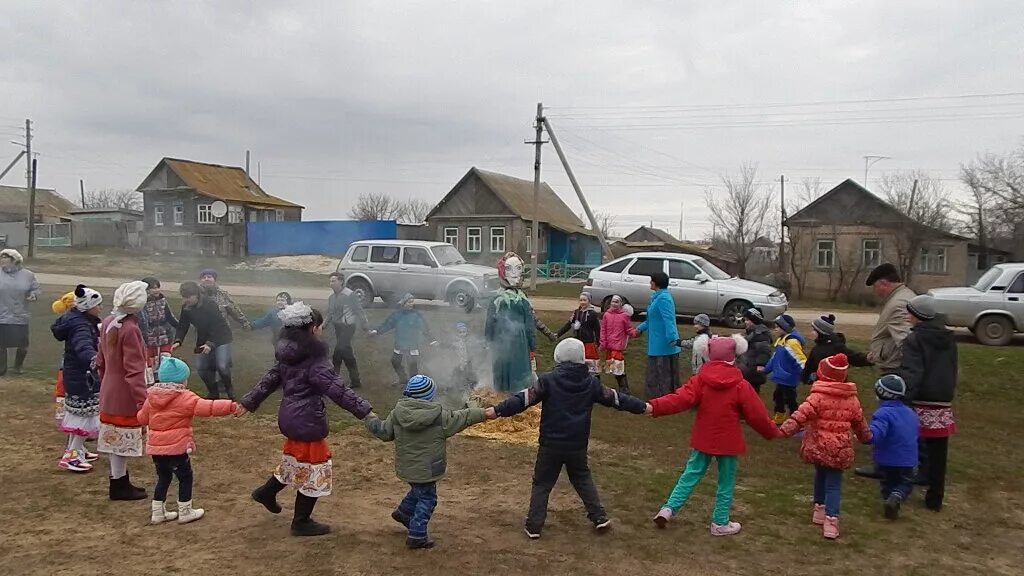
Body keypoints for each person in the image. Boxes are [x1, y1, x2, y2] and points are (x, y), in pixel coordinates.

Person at [490, 338, 648, 539]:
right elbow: (617, 399)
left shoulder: (548, 381)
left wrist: (498, 410)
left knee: (542, 483)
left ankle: (534, 526)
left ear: (558, 357)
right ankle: (599, 517)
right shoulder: (591, 383)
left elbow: (524, 399)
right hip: (577, 444)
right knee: (582, 478)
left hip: (551, 444)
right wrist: (642, 407)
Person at [242, 302, 373, 537]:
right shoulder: (314, 360)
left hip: (290, 418)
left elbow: (269, 379)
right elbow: (337, 389)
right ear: (313, 329)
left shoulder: (287, 354)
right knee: (313, 469)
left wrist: (249, 401)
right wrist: (364, 411)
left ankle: (266, 492)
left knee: (294, 462)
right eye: (320, 326)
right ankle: (301, 521)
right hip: (307, 421)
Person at [648, 335, 781, 535]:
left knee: (690, 474)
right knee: (725, 481)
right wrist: (772, 431)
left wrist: (655, 406)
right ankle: (720, 522)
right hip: (728, 440)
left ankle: (668, 509)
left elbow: (680, 399)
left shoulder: (700, 380)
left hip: (704, 437)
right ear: (734, 357)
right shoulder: (740, 385)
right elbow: (757, 414)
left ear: (708, 354)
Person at [365, 375, 487, 549]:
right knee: (428, 498)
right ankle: (417, 534)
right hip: (428, 469)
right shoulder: (439, 417)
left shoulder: (397, 413)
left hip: (407, 467)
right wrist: (478, 410)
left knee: (418, 490)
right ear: (429, 396)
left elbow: (384, 432)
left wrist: (371, 420)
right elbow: (462, 418)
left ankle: (404, 513)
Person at [779, 354, 872, 540]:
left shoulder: (817, 397)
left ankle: (819, 510)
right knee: (833, 483)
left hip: (819, 445)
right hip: (839, 449)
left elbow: (800, 415)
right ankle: (831, 520)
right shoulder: (852, 400)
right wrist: (866, 437)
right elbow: (860, 422)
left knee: (820, 476)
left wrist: (785, 430)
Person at [137, 356, 238, 525]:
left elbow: (142, 419)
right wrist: (231, 406)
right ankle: (185, 510)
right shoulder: (185, 397)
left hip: (156, 449)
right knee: (185, 477)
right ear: (182, 379)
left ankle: (157, 512)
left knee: (163, 477)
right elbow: (208, 407)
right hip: (176, 448)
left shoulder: (151, 398)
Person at [857, 263, 916, 479]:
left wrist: (903, 368)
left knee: (889, 418)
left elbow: (908, 342)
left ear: (884, 283)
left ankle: (885, 465)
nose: (875, 292)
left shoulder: (899, 303)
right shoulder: (903, 297)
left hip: (896, 370)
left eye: (876, 287)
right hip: (894, 366)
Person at [900, 294, 958, 512]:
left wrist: (903, 398)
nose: (907, 317)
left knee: (910, 442)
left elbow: (913, 372)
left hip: (921, 397)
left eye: (909, 313)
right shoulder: (948, 338)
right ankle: (935, 496)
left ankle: (900, 486)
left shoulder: (914, 340)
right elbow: (953, 367)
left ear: (918, 316)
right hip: (942, 398)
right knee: (939, 449)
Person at [97, 280, 151, 501]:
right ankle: (119, 485)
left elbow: (100, 360)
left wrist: (104, 383)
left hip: (109, 388)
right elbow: (134, 370)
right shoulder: (130, 329)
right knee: (121, 439)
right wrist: (142, 400)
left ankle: (119, 480)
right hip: (124, 393)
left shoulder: (108, 322)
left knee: (114, 438)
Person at [52, 285, 103, 473]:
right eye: (97, 305)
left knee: (79, 414)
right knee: (84, 415)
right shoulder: (81, 325)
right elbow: (83, 346)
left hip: (76, 375)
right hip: (83, 377)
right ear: (87, 306)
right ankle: (72, 456)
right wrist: (93, 361)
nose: (100, 308)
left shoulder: (76, 319)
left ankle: (77, 449)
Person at [867, 374, 919, 520]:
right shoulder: (911, 413)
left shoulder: (882, 413)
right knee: (905, 483)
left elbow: (877, 433)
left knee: (887, 483)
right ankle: (896, 497)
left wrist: (866, 437)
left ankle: (888, 499)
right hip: (908, 460)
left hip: (885, 459)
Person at [484, 252, 537, 394]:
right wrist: (532, 346)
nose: (514, 274)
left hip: (500, 338)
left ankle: (502, 395)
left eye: (518, 268)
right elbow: (529, 326)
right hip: (519, 340)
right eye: (509, 269)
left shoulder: (496, 298)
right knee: (517, 368)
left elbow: (489, 324)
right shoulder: (522, 300)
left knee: (502, 366)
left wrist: (489, 342)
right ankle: (518, 397)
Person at [173, 281, 235, 400]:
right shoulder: (186, 307)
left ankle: (230, 391)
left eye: (188, 297)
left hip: (221, 337)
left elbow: (217, 325)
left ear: (196, 295)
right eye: (183, 297)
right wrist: (178, 340)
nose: (185, 300)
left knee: (222, 366)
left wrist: (210, 344)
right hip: (203, 338)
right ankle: (213, 392)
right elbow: (182, 325)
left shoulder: (209, 304)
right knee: (202, 368)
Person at [630, 272, 681, 400]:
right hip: (656, 342)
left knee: (662, 371)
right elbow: (651, 319)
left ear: (656, 283)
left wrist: (672, 338)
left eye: (651, 281)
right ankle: (656, 396)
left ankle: (664, 397)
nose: (649, 283)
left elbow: (668, 319)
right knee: (655, 371)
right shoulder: (656, 297)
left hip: (663, 343)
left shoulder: (664, 298)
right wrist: (639, 329)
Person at [370, 293, 437, 385]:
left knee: (412, 366)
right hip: (400, 344)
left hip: (412, 344)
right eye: (409, 302)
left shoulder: (416, 315)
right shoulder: (397, 315)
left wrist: (432, 340)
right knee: (395, 362)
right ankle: (403, 379)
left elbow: (425, 328)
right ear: (403, 303)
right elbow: (387, 324)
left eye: (412, 302)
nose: (411, 304)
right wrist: (376, 331)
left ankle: (414, 384)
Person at [760, 314, 807, 424]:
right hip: (781, 378)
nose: (775, 329)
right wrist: (766, 369)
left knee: (790, 400)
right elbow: (774, 359)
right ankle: (779, 419)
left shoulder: (791, 343)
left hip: (789, 378)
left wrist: (807, 375)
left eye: (777, 327)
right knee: (778, 397)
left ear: (784, 328)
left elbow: (800, 360)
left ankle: (797, 422)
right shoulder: (781, 342)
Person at [0, 248, 40, 375]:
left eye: (5, 258)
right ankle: (2, 368)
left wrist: (33, 294)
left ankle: (18, 366)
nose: (2, 260)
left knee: (23, 344)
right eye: (1, 258)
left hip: (20, 314)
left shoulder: (28, 275)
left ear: (15, 260)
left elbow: (35, 288)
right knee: (1, 344)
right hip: (2, 313)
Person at [801, 315, 871, 385]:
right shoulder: (817, 348)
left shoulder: (836, 347)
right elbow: (809, 366)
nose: (812, 332)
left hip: (836, 384)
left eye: (814, 330)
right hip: (822, 385)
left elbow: (854, 357)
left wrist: (869, 358)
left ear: (820, 332)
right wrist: (805, 378)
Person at [325, 273, 367, 388]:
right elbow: (330, 313)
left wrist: (365, 325)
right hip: (338, 327)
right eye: (330, 281)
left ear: (341, 282)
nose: (331, 284)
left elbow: (359, 310)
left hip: (348, 327)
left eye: (333, 281)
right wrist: (323, 325)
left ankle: (334, 380)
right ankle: (355, 380)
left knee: (338, 352)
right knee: (346, 353)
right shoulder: (332, 297)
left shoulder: (349, 295)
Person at [138, 277, 178, 380]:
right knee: (150, 364)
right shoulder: (141, 304)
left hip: (165, 337)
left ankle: (165, 380)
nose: (156, 290)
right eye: (153, 288)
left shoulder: (163, 300)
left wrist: (180, 327)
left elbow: (169, 316)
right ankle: (151, 384)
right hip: (149, 339)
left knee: (166, 361)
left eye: (158, 287)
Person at [555, 293, 602, 380]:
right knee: (578, 362)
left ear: (589, 301)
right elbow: (568, 324)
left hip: (589, 343)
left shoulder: (593, 314)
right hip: (577, 343)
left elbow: (597, 329)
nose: (582, 302)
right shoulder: (576, 313)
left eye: (585, 300)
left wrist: (599, 342)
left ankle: (596, 381)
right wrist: (558, 334)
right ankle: (579, 379)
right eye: (581, 300)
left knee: (591, 364)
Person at [598, 295, 633, 394]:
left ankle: (624, 388)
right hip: (609, 346)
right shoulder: (606, 315)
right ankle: (621, 387)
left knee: (618, 366)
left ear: (621, 304)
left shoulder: (624, 316)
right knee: (612, 367)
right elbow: (603, 329)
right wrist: (603, 343)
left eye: (617, 302)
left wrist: (635, 332)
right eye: (613, 302)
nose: (614, 304)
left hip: (618, 346)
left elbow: (629, 328)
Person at [737, 308, 772, 394]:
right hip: (748, 366)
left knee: (752, 392)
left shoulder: (760, 335)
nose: (745, 322)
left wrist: (760, 364)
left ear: (754, 321)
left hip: (754, 369)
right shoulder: (752, 332)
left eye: (748, 320)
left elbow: (764, 350)